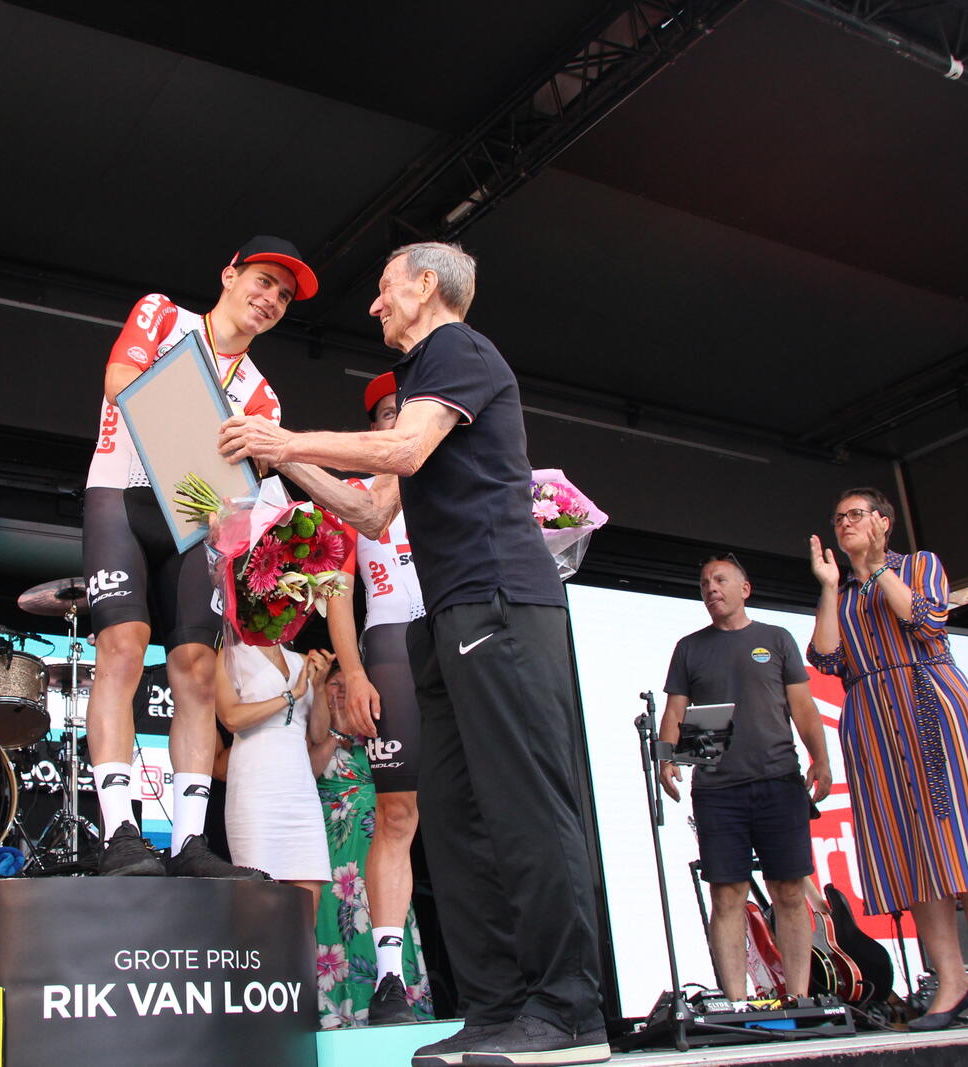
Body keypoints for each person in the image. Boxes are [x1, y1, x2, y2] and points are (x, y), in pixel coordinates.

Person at [219, 242, 609, 1066]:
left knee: (526, 807)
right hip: (445, 620)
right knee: (459, 822)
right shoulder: (424, 380)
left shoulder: (456, 347)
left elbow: (400, 451)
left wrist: (285, 438)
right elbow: (370, 513)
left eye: (386, 288)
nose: (374, 305)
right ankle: (499, 1005)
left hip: (501, 600)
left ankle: (568, 1010)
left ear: (427, 285)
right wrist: (278, 459)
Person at [82, 236, 319, 878]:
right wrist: (202, 467)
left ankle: (188, 842)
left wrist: (243, 512)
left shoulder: (264, 397)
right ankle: (120, 832)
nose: (270, 299)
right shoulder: (164, 316)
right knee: (123, 647)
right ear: (229, 275)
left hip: (197, 526)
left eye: (284, 296)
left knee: (194, 668)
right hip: (123, 496)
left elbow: (250, 489)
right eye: (263, 281)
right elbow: (120, 383)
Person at [808, 488, 968, 1029]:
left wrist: (876, 567)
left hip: (929, 703)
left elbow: (927, 621)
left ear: (884, 521)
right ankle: (950, 981)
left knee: (965, 838)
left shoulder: (918, 565)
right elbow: (825, 657)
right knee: (909, 849)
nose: (845, 524)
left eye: (856, 515)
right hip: (872, 720)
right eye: (838, 519)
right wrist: (832, 586)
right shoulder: (844, 591)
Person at [659, 554, 832, 1004]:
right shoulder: (690, 647)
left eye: (720, 580)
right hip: (718, 790)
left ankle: (800, 999)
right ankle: (736, 1001)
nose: (711, 588)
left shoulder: (776, 638)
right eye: (704, 583)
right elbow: (674, 711)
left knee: (789, 891)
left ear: (745, 589)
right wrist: (665, 758)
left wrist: (821, 758)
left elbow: (803, 706)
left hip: (779, 781)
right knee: (727, 894)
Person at [325, 371, 425, 1025]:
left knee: (479, 810)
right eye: (387, 412)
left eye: (407, 410)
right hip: (389, 642)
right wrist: (355, 673)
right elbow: (337, 592)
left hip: (458, 639)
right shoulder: (353, 494)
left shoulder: (453, 485)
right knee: (395, 813)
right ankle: (389, 980)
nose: (398, 420)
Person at [314, 662, 435, 1029]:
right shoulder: (314, 730)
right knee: (335, 927)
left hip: (379, 846)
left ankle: (396, 1001)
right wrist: (336, 730)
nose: (341, 691)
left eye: (345, 684)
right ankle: (342, 1018)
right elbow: (309, 770)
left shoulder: (382, 731)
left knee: (386, 917)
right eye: (334, 684)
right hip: (333, 850)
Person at [213, 641, 334, 906]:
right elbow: (231, 718)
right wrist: (291, 695)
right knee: (260, 898)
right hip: (255, 783)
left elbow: (318, 734)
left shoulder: (302, 660)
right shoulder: (231, 656)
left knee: (308, 899)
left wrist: (319, 686)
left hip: (299, 787)